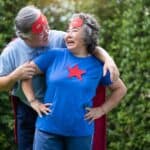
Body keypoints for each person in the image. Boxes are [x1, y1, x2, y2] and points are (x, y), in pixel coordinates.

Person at [0, 6, 119, 150]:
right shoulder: (12, 52)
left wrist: (108, 59)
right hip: (29, 109)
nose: (46, 33)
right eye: (40, 32)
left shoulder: (57, 38)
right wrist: (15, 77)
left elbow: (88, 45)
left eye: (46, 27)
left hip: (64, 112)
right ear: (25, 36)